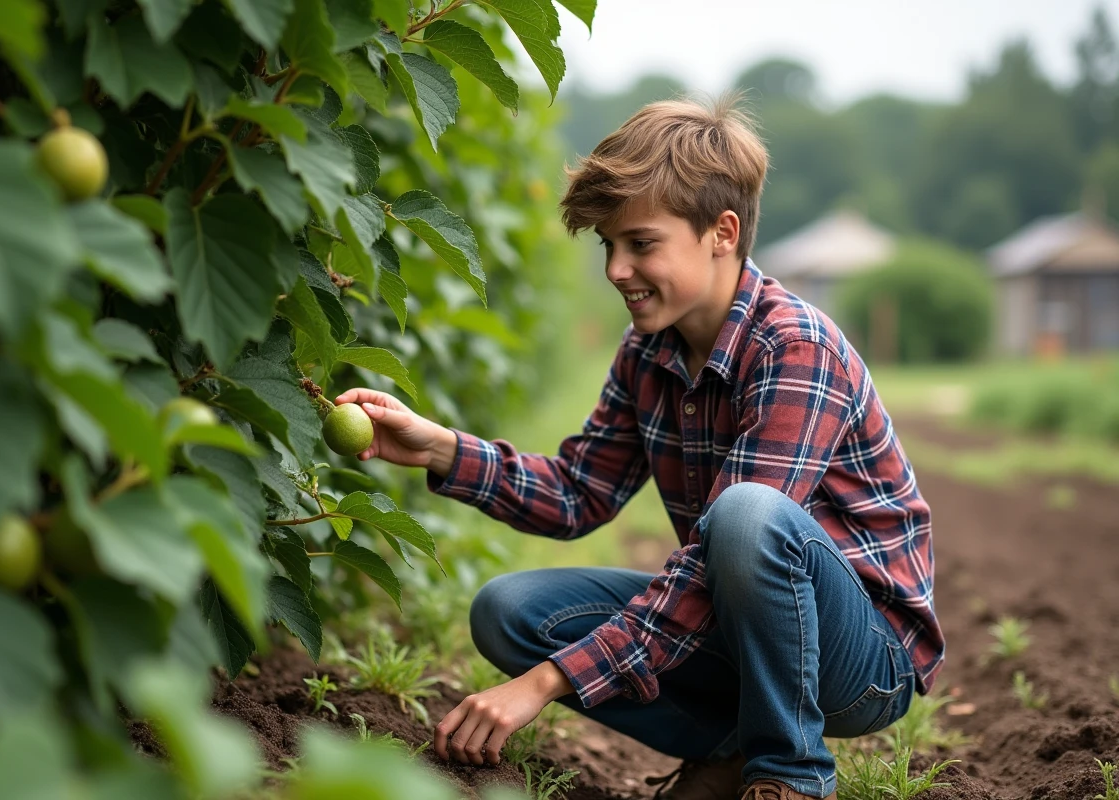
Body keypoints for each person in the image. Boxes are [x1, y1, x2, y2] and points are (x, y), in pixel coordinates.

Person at [332, 96, 944, 800]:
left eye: (641, 244)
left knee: (746, 515)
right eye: (607, 246)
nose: (616, 269)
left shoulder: (794, 347)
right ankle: (728, 752)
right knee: (508, 612)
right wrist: (441, 449)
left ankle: (790, 774)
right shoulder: (647, 351)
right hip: (742, 624)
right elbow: (576, 492)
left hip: (860, 658)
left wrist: (546, 682)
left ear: (722, 232)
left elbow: (733, 544)